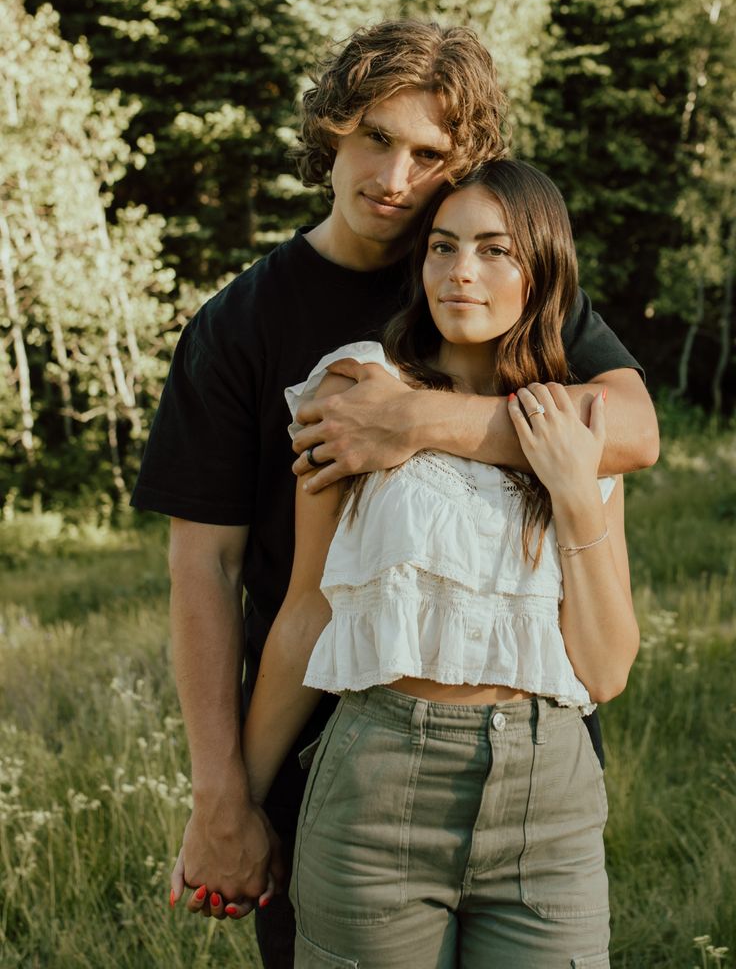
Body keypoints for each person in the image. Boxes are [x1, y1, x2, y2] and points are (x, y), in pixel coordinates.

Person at [130, 20, 657, 968]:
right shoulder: (242, 325)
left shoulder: (497, 280)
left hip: (532, 756)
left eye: (430, 153)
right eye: (376, 136)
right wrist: (222, 800)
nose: (398, 178)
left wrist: (417, 423)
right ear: (331, 132)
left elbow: (631, 432)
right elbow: (207, 568)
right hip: (323, 755)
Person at [242, 158, 639, 968]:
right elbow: (306, 616)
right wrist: (234, 804)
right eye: (443, 247)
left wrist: (569, 487)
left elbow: (603, 671)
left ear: (542, 271)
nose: (462, 272)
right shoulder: (355, 389)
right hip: (377, 788)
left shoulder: (582, 422)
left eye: (495, 251)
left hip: (547, 802)